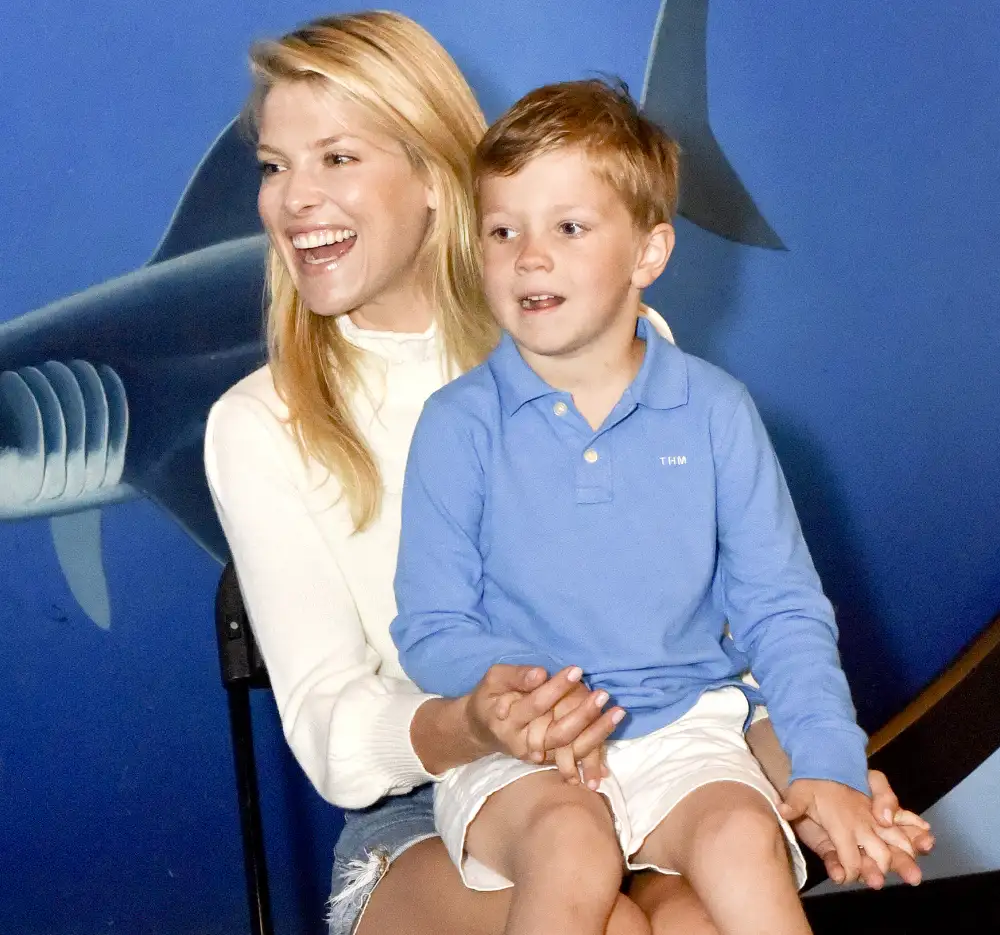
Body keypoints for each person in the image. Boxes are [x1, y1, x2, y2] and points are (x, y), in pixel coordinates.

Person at [204, 12, 933, 935]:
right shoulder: (258, 424)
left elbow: (729, 632)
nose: (294, 200)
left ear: (437, 176)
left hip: (665, 750)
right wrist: (486, 717)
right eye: (274, 166)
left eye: (336, 159)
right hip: (429, 808)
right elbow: (340, 740)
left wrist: (813, 763)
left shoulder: (621, 348)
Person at [389, 78, 924, 935]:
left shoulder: (716, 412)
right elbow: (432, 626)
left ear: (649, 253)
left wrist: (829, 762)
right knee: (572, 846)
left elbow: (781, 610)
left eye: (568, 226)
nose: (529, 255)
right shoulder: (456, 426)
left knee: (745, 837)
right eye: (502, 230)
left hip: (688, 730)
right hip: (531, 756)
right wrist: (535, 704)